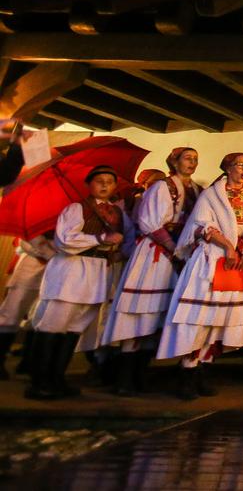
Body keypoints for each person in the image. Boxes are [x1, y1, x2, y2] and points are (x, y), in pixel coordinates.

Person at [157, 152, 243, 400]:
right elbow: (202, 225)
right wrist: (228, 246)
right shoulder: (212, 194)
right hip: (213, 261)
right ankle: (187, 372)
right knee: (201, 318)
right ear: (227, 167)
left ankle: (204, 370)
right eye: (240, 164)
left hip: (240, 264)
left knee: (221, 320)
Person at [26, 166, 133, 400]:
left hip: (98, 272)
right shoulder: (77, 208)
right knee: (54, 323)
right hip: (72, 270)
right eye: (99, 181)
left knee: (76, 325)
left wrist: (118, 249)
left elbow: (126, 239)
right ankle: (39, 381)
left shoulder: (117, 212)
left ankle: (57, 377)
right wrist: (100, 238)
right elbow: (65, 240)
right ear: (89, 184)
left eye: (110, 181)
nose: (105, 185)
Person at [102, 147, 201, 396]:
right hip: (155, 254)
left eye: (195, 159)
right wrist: (171, 247)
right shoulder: (161, 187)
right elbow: (148, 221)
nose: (192, 162)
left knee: (161, 313)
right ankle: (124, 378)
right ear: (174, 161)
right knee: (140, 312)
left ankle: (141, 374)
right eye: (188, 158)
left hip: (180, 254)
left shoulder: (196, 190)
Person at [0, 233, 55, 379]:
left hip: (55, 269)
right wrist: (51, 255)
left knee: (39, 316)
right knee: (11, 314)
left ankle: (29, 361)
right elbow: (27, 239)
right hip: (32, 263)